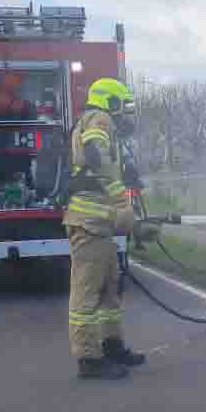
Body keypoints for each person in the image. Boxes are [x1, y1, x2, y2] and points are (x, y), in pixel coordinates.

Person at [63, 78, 146, 380]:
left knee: (109, 291)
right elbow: (97, 157)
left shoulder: (98, 122)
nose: (126, 115)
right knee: (86, 295)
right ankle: (89, 359)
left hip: (101, 226)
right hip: (89, 224)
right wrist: (122, 203)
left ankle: (111, 345)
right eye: (123, 108)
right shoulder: (99, 119)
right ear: (110, 103)